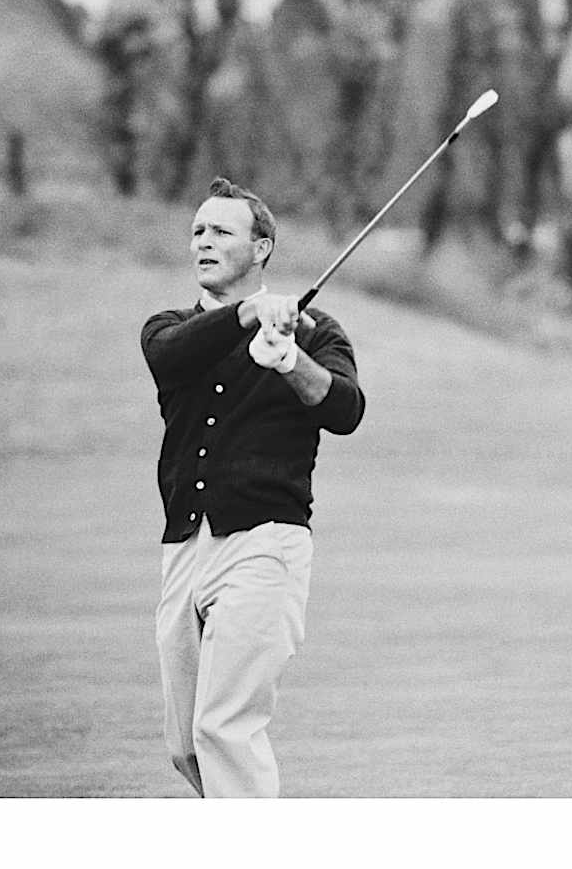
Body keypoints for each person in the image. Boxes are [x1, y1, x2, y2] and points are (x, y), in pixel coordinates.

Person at [140, 177, 365, 798]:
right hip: (185, 547)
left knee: (225, 729)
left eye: (221, 231)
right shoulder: (169, 328)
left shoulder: (313, 332)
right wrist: (249, 316)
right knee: (186, 744)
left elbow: (345, 409)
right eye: (197, 231)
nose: (202, 242)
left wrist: (289, 359)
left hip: (266, 545)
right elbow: (173, 357)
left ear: (262, 248)